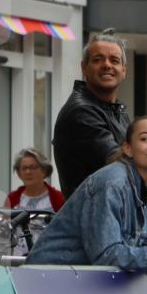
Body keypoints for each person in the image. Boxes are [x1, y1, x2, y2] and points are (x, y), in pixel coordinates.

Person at [26, 116, 147, 274]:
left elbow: (142, 248)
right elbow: (106, 255)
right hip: (47, 279)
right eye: (145, 139)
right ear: (127, 149)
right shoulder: (112, 183)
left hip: (79, 283)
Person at [52, 28, 130, 199]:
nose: (107, 65)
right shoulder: (82, 112)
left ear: (124, 70)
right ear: (84, 68)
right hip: (92, 221)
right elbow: (121, 165)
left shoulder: (116, 110)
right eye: (97, 59)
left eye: (114, 60)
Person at [4, 148, 65, 255]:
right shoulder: (12, 198)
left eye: (33, 167)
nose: (28, 172)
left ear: (44, 171)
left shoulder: (58, 198)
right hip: (17, 259)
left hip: (48, 257)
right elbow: (4, 230)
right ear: (18, 173)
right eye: (24, 168)